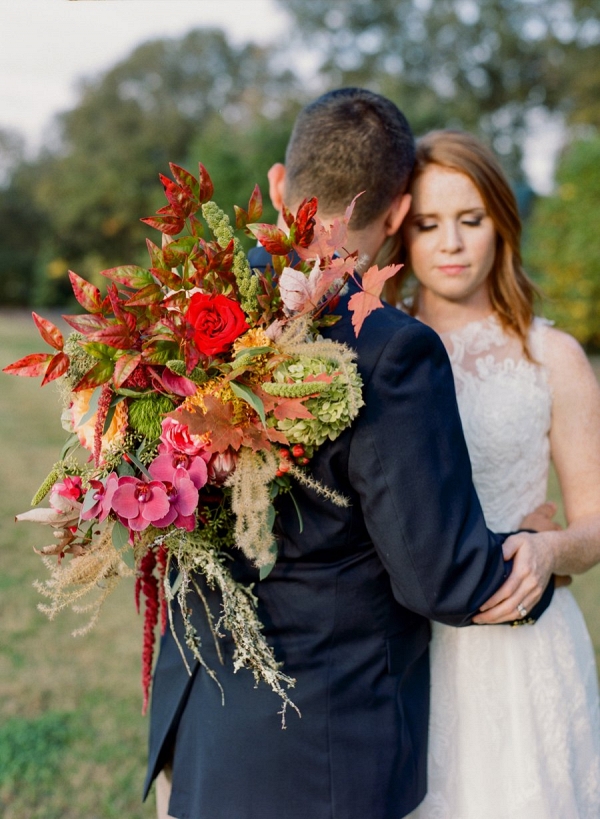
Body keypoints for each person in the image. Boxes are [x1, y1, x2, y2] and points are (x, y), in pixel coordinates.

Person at [144, 90, 554, 819]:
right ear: (397, 216)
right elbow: (443, 579)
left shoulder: (185, 317)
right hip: (320, 755)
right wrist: (537, 559)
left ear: (278, 183)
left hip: (198, 732)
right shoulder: (393, 350)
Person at [388, 129, 600, 818]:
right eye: (428, 224)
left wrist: (551, 549)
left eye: (470, 220)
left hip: (525, 646)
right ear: (401, 232)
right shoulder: (371, 351)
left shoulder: (554, 356)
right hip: (409, 647)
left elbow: (594, 520)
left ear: (501, 224)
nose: (450, 243)